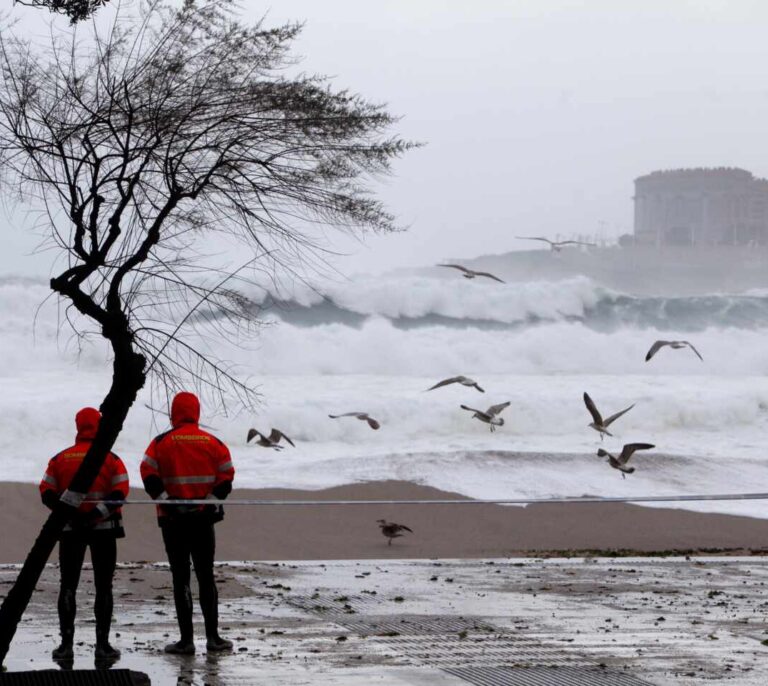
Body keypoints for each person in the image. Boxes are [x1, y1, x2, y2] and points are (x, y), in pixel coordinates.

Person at [140, 391, 235, 655]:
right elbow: (226, 476)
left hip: (173, 521)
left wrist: (167, 501)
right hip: (204, 521)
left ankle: (186, 641)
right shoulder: (213, 442)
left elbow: (147, 473)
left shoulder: (160, 443)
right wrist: (209, 502)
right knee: (206, 575)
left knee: (180, 577)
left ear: (174, 413)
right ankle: (213, 638)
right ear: (197, 412)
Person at [39, 407, 129, 662]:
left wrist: (70, 516)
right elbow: (120, 491)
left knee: (68, 585)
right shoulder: (111, 458)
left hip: (70, 530)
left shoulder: (60, 458)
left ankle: (66, 646)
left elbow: (46, 491)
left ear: (78, 426)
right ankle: (102, 646)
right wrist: (95, 515)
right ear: (99, 426)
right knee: (104, 586)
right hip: (105, 530)